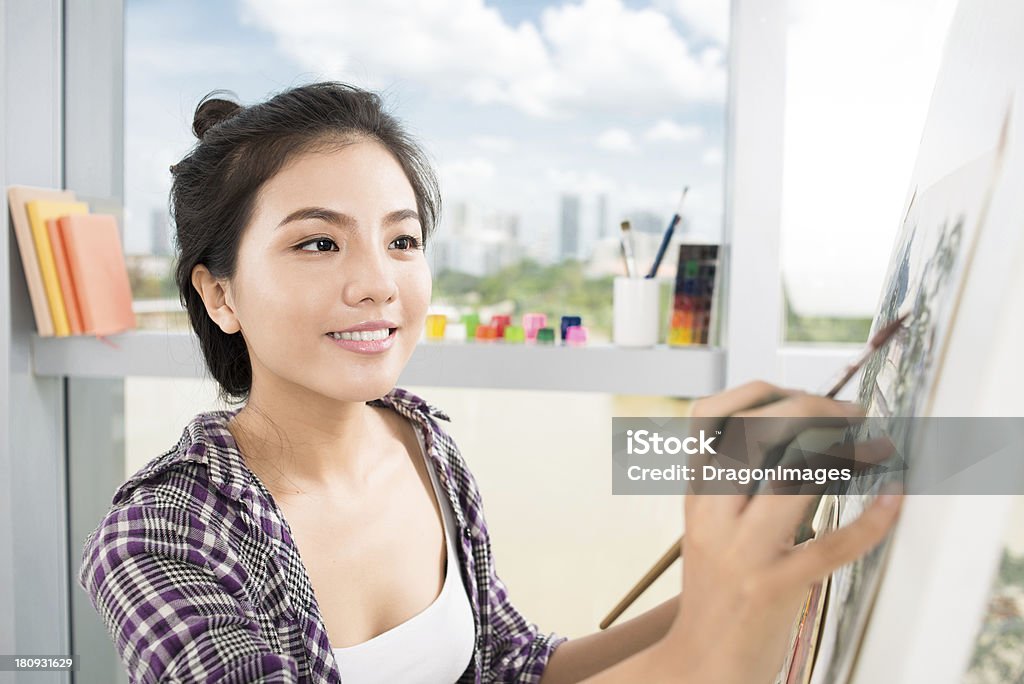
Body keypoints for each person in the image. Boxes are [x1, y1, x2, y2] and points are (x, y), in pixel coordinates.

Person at [78, 82, 902, 684]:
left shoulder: (422, 441)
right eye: (318, 245)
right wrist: (704, 654)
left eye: (401, 242)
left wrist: (742, 589)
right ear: (219, 292)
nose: (378, 284)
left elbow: (512, 665)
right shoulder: (160, 537)